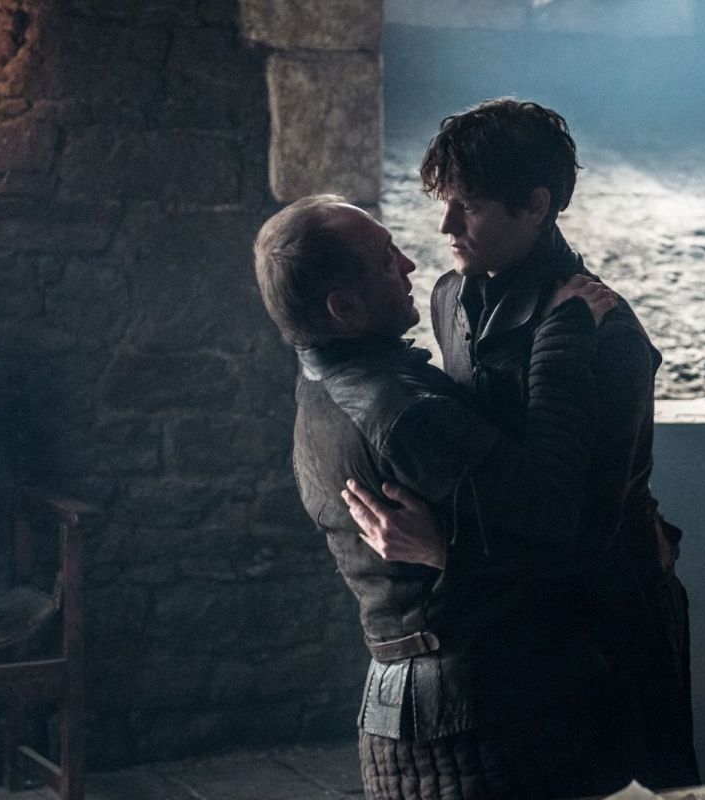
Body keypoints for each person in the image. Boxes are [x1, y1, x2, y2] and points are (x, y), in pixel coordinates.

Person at [347, 98, 701, 792]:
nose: (446, 226)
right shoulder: (450, 297)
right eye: (446, 203)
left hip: (607, 619)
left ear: (536, 205)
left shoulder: (607, 334)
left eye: (471, 206)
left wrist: (445, 550)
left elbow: (588, 531)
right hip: (514, 621)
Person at [252, 194, 619, 800]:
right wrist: (563, 337)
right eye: (385, 259)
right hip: (474, 713)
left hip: (422, 702)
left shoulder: (323, 380)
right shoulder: (404, 413)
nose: (410, 265)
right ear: (344, 307)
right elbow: (553, 511)